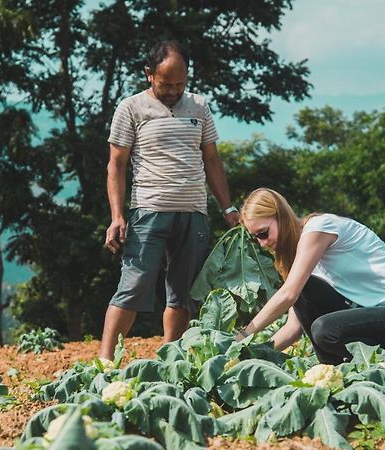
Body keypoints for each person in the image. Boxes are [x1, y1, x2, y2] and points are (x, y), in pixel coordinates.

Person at [101, 40, 239, 360]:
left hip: (193, 211)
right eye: (167, 84)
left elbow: (212, 159)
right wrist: (117, 216)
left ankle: (169, 357)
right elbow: (116, 164)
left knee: (182, 292)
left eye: (181, 83)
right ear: (149, 74)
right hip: (148, 209)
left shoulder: (199, 106)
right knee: (134, 286)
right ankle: (105, 362)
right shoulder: (131, 108)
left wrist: (227, 207)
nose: (175, 90)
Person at [236, 187, 385, 364]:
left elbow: (288, 294)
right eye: (256, 239)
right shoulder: (302, 258)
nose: (262, 243)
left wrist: (244, 334)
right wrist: (248, 356)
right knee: (314, 304)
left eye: (263, 233)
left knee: (324, 329)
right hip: (375, 317)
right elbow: (293, 328)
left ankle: (342, 371)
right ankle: (339, 376)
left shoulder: (318, 228)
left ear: (281, 216)